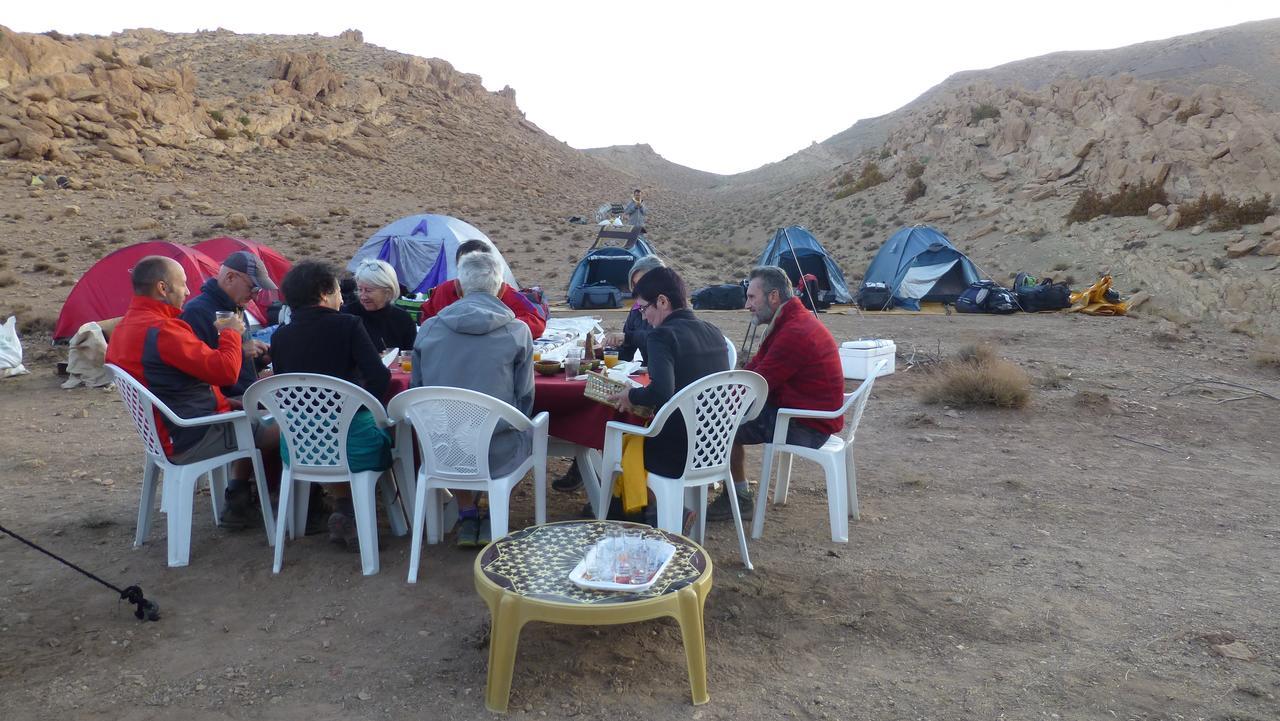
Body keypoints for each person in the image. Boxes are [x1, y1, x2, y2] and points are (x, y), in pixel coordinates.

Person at [105, 255, 278, 529]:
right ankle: (291, 504)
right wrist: (231, 333)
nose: (187, 291)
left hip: (172, 428)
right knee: (291, 425)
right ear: (163, 288)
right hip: (191, 434)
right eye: (183, 284)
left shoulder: (125, 327)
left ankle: (246, 497)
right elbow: (224, 372)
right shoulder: (162, 330)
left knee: (257, 409)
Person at [412, 251, 534, 549]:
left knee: (449, 427)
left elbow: (417, 388)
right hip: (497, 451)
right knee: (528, 428)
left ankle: (467, 514)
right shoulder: (517, 331)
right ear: (500, 286)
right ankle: (494, 513)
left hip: (441, 450)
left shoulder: (428, 329)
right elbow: (525, 397)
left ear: (461, 286)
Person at [270, 260, 394, 550]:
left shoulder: (280, 336)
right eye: (339, 291)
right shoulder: (348, 325)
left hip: (299, 446)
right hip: (352, 445)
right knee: (382, 431)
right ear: (325, 293)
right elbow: (379, 378)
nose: (342, 298)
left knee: (328, 430)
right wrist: (359, 407)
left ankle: (345, 509)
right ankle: (361, 512)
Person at [710, 265, 844, 522]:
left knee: (720, 427)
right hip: (807, 414)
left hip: (806, 426)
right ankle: (730, 490)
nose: (747, 305)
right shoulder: (790, 321)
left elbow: (759, 384)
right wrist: (725, 391)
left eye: (752, 297)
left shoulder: (794, 332)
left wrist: (718, 402)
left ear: (773, 297)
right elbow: (756, 368)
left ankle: (738, 499)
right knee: (722, 418)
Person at [608, 267, 729, 514]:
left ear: (662, 301)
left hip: (676, 453)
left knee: (619, 440)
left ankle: (641, 519)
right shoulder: (714, 332)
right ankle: (658, 515)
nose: (643, 317)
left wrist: (630, 395)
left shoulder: (662, 336)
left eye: (643, 308)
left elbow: (661, 392)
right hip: (715, 448)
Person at [554, 254, 666, 494]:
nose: (640, 291)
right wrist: (605, 350)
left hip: (655, 384)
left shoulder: (666, 310)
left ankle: (614, 489)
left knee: (611, 406)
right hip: (638, 375)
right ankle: (585, 466)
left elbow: (659, 338)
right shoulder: (638, 310)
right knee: (594, 395)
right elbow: (627, 352)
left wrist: (629, 337)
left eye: (644, 283)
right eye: (635, 286)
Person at [180, 250, 277, 398]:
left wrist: (259, 359)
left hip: (246, 395)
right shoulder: (196, 312)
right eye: (253, 288)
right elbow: (198, 372)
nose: (255, 296)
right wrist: (241, 352)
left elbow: (239, 370)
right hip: (226, 404)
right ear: (230, 278)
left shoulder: (236, 308)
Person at [417, 239, 546, 339]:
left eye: (480, 263)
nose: (474, 268)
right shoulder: (444, 290)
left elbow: (537, 323)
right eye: (467, 263)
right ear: (458, 266)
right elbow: (426, 318)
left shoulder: (505, 291)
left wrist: (501, 326)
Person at [341, 259, 417, 352]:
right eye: (360, 289)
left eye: (368, 291)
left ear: (387, 292)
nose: (363, 296)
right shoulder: (348, 315)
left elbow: (409, 356)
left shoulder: (403, 319)